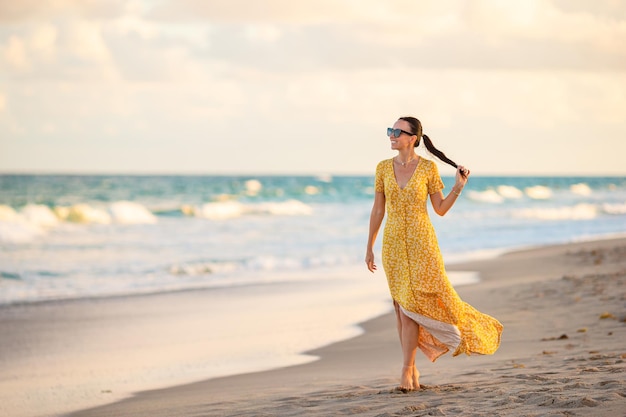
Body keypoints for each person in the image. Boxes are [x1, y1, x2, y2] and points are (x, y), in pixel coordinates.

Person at [365, 116, 503, 392]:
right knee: (401, 308)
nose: (391, 135)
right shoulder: (382, 168)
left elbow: (439, 208)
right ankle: (411, 370)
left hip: (422, 245)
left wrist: (458, 188)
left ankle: (407, 371)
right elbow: (378, 210)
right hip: (392, 246)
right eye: (390, 131)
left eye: (396, 131)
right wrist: (369, 246)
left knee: (413, 307)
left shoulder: (428, 168)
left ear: (412, 137)